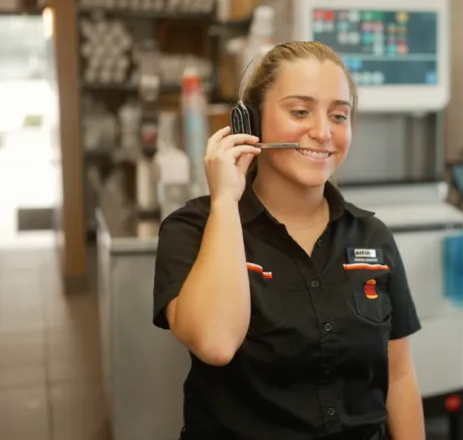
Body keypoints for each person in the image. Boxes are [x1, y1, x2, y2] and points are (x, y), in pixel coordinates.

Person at [153, 41, 425, 440]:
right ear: (251, 123)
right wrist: (226, 200)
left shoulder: (372, 237)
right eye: (300, 111)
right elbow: (215, 342)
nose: (322, 132)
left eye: (338, 115)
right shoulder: (193, 228)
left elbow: (399, 377)